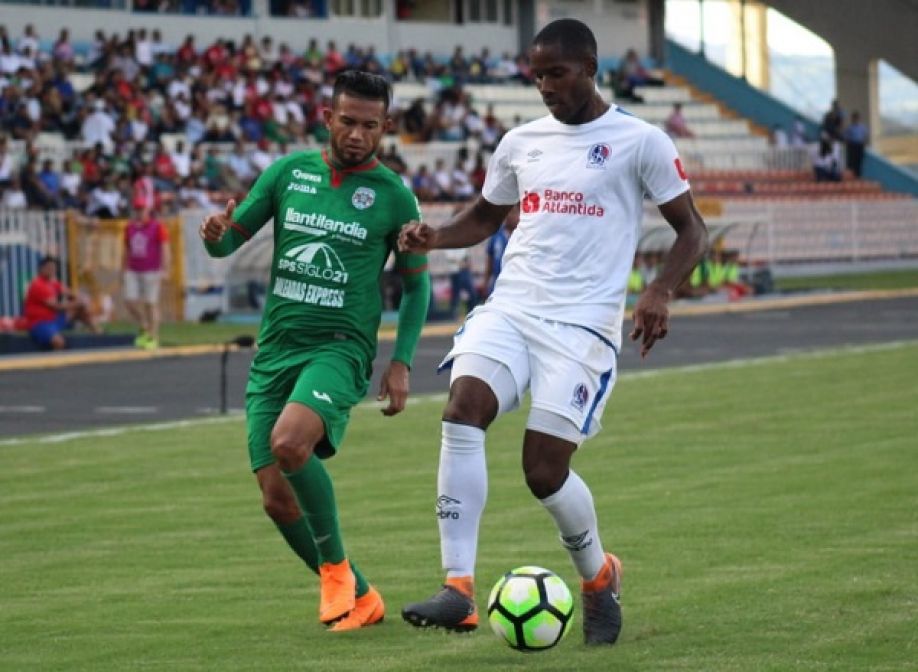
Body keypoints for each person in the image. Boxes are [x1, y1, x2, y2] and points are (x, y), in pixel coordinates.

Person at [398, 19, 707, 645]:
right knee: (462, 411)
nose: (545, 86)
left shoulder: (638, 141)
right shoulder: (520, 141)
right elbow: (486, 215)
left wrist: (659, 289)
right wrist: (436, 236)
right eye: (536, 75)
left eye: (556, 73)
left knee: (542, 471)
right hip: (511, 308)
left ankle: (598, 579)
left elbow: (692, 230)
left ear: (590, 68)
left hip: (582, 327)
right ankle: (458, 590)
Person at [199, 70, 430, 633]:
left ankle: (333, 569)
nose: (356, 134)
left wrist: (400, 361)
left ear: (385, 128)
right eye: (347, 121)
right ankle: (364, 595)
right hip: (276, 350)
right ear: (328, 118)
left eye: (369, 126)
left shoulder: (394, 195)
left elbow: (416, 283)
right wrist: (216, 234)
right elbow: (232, 239)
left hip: (339, 349)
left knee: (289, 443)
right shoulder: (288, 173)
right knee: (277, 500)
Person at [23, 256, 100, 350]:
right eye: (49, 268)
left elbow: (69, 292)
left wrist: (82, 299)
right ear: (41, 269)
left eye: (53, 268)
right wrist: (79, 303)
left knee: (80, 308)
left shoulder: (53, 283)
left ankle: (98, 333)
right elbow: (57, 306)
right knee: (59, 342)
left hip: (54, 320)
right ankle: (56, 361)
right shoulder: (38, 285)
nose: (52, 271)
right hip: (40, 323)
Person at [123, 207, 170, 350]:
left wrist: (165, 269)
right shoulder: (129, 228)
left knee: (151, 303)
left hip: (152, 270)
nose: (139, 213)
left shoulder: (157, 227)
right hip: (133, 269)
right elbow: (126, 249)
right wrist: (123, 268)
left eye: (141, 210)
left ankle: (153, 336)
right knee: (130, 301)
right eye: (136, 210)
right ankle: (144, 325)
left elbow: (165, 248)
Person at [483, 204, 519, 296]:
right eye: (507, 213)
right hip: (497, 281)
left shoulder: (522, 236)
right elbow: (490, 260)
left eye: (513, 213)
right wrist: (486, 282)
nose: (509, 216)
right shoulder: (496, 235)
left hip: (517, 282)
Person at [844, 111, 868, 178]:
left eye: (856, 118)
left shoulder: (862, 127)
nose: (855, 119)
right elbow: (846, 137)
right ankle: (851, 177)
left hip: (860, 146)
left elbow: (865, 136)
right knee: (851, 163)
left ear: (858, 118)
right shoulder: (849, 128)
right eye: (853, 118)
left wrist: (864, 144)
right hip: (852, 146)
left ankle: (858, 176)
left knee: (859, 162)